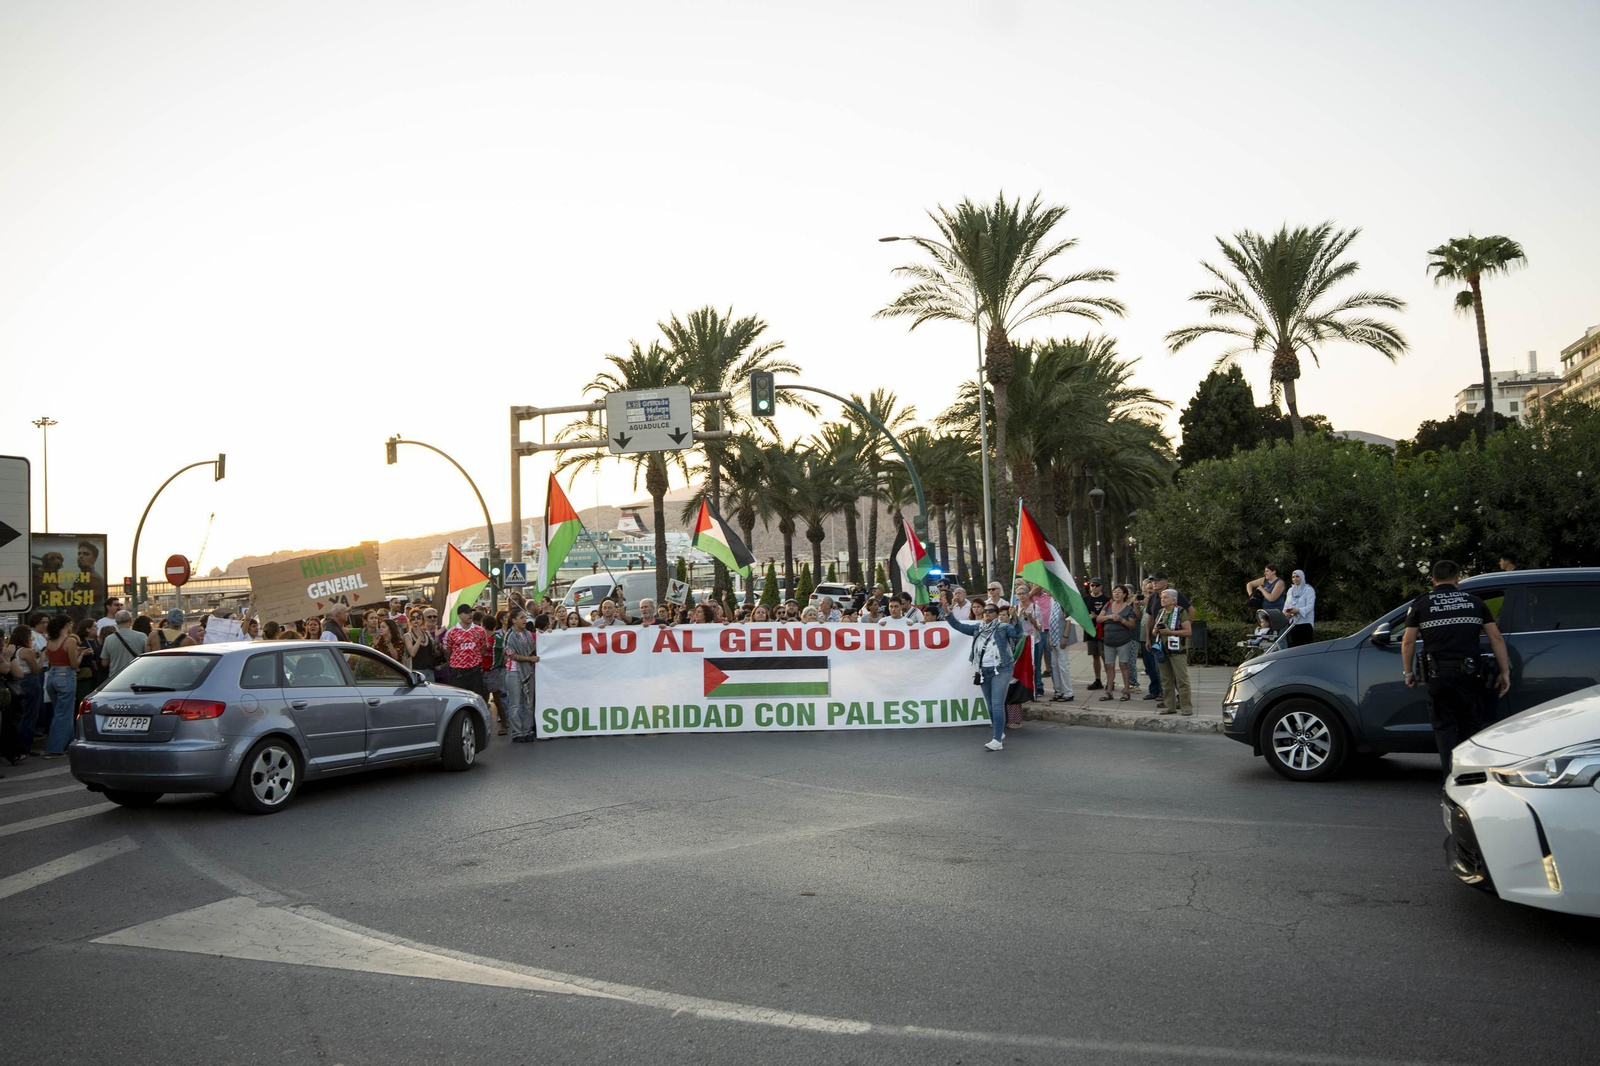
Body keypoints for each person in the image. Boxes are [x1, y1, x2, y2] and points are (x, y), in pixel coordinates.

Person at [1401, 560, 1512, 774]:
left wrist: (1408, 673)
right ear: (1457, 580)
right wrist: (1505, 672)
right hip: (1471, 676)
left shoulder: (1421, 604)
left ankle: (1451, 779)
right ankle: (1472, 777)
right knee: (1471, 727)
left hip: (1438, 675)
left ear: (1433, 580)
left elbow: (1407, 642)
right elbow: (1496, 638)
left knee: (1445, 729)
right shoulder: (1475, 602)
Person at [949, 601, 1024, 752]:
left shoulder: (1003, 627)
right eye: (985, 611)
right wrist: (949, 613)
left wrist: (1015, 617)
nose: (987, 613)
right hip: (984, 670)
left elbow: (1017, 634)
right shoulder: (978, 628)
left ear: (996, 614)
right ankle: (999, 732)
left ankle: (997, 740)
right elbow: (958, 626)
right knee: (990, 705)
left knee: (997, 704)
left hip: (1002, 669)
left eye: (990, 611)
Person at [42, 615, 84, 757]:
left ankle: (69, 744)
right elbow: (73, 664)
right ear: (66, 625)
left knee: (61, 712)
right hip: (65, 676)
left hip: (52, 676)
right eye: (70, 624)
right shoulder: (70, 641)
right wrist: (81, 655)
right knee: (64, 714)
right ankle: (55, 748)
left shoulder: (50, 641)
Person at [1152, 588, 1194, 716]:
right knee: (1165, 679)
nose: (1162, 600)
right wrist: (1156, 630)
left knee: (1182, 679)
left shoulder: (1180, 611)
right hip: (1163, 650)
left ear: (1173, 600)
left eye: (1165, 597)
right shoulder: (1160, 612)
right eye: (1161, 597)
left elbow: (1188, 632)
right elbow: (1154, 631)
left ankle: (1186, 706)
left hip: (1177, 650)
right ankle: (1169, 706)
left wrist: (1170, 632)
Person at [1097, 584, 1139, 702]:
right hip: (1108, 641)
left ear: (1125, 594)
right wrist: (1109, 617)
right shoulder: (1108, 605)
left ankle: (1126, 691)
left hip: (1123, 641)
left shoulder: (1128, 608)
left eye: (1119, 592)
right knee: (1109, 666)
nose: (1116, 594)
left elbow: (1133, 625)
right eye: (1114, 591)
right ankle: (1109, 691)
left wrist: (1121, 620)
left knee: (1123, 665)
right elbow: (1099, 618)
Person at [502, 608, 539, 742]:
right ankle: (517, 733)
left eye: (525, 617)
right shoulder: (510, 636)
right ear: (514, 620)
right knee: (515, 704)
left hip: (528, 671)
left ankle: (527, 730)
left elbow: (534, 648)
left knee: (528, 703)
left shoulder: (528, 634)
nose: (525, 620)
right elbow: (511, 654)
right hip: (514, 672)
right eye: (522, 618)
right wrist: (529, 659)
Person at [442, 604, 490, 697]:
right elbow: (447, 651)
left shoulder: (480, 631)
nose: (470, 615)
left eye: (471, 612)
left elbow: (483, 648)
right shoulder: (451, 632)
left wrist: (475, 659)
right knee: (458, 698)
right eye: (467, 613)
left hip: (475, 671)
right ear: (460, 615)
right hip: (458, 671)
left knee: (477, 698)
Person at [100, 610, 147, 680]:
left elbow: (104, 663)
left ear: (116, 622)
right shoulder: (142, 636)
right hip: (137, 676)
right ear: (131, 620)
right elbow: (146, 656)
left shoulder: (109, 639)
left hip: (116, 677)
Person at [1083, 579, 1110, 690]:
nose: (1094, 587)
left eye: (1097, 585)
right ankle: (1098, 680)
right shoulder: (1085, 599)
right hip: (1090, 631)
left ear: (1101, 586)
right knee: (1095, 656)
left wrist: (1097, 617)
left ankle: (1110, 680)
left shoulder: (1106, 600)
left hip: (1103, 631)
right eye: (1092, 585)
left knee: (1105, 657)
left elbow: (1109, 614)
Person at [1283, 569, 1317, 646]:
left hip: (1305, 623)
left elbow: (1310, 606)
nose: (1295, 578)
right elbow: (1286, 604)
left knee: (1305, 647)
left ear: (1302, 577)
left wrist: (1298, 610)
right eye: (1293, 577)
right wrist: (1286, 612)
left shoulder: (1308, 590)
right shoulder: (1290, 590)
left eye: (1297, 576)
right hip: (1293, 623)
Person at [405, 609, 440, 680]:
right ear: (410, 621)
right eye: (413, 618)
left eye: (418, 617)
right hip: (416, 672)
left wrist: (436, 638)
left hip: (429, 670)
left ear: (422, 620)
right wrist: (419, 638)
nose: (416, 620)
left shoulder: (427, 634)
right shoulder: (408, 636)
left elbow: (435, 651)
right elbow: (412, 653)